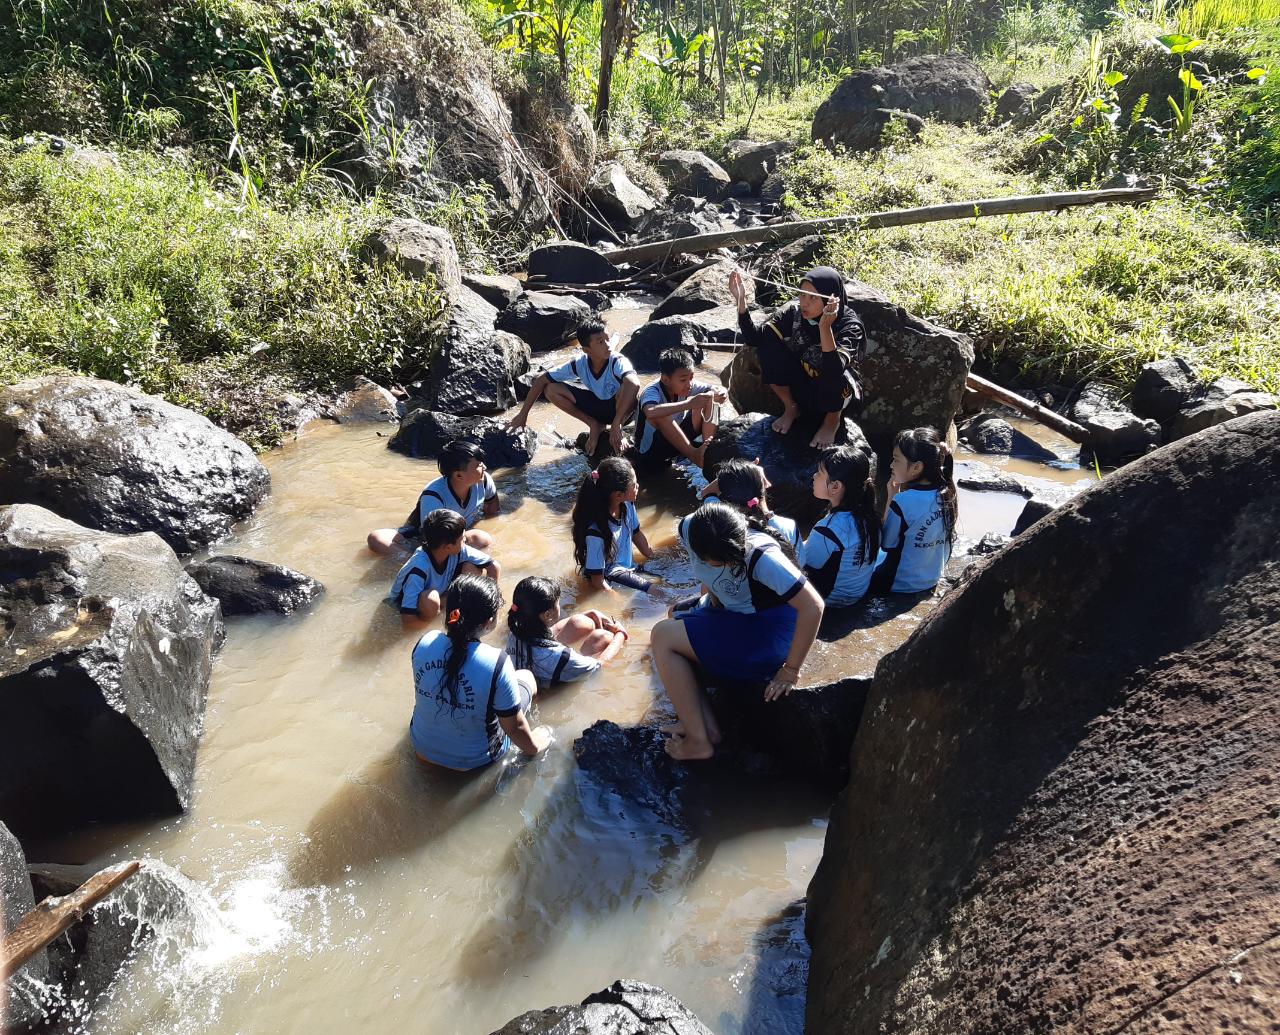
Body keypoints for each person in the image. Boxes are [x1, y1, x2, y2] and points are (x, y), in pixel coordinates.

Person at [654, 502, 824, 761]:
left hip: (770, 628)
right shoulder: (691, 528)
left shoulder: (762, 555)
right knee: (674, 616)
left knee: (662, 636)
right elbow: (711, 582)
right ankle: (703, 727)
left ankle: (699, 742)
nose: (720, 565)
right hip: (736, 613)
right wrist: (707, 611)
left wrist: (790, 670)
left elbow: (813, 606)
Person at [410, 575, 550, 771]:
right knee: (526, 676)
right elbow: (514, 727)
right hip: (475, 762)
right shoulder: (497, 662)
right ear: (489, 621)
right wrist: (536, 747)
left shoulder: (425, 641)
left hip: (421, 749)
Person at [729, 266, 866, 449]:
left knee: (830, 368)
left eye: (813, 297)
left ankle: (832, 420)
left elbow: (834, 370)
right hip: (802, 385)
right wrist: (741, 301)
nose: (804, 303)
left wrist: (825, 327)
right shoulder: (794, 314)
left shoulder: (849, 325)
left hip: (837, 393)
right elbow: (755, 339)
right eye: (802, 295)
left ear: (830, 299)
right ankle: (791, 408)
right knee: (768, 344)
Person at [506, 319, 641, 456]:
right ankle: (594, 424)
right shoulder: (580, 364)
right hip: (600, 408)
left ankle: (618, 426)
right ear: (586, 350)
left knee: (627, 386)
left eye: (607, 339)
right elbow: (541, 379)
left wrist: (617, 423)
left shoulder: (617, 361)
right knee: (551, 389)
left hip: (623, 412)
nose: (607, 345)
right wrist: (523, 415)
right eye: (600, 342)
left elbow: (635, 384)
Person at [368, 440, 498, 555]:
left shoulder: (484, 480)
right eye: (479, 465)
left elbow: (493, 510)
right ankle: (412, 561)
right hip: (424, 536)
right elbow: (433, 539)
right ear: (459, 476)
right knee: (376, 538)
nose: (484, 467)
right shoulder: (434, 496)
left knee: (482, 538)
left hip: (459, 536)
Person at [871, 427, 958, 594]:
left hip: (900, 584)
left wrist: (891, 497)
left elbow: (886, 544)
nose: (891, 465)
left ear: (916, 467)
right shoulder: (948, 493)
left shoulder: (903, 501)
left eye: (896, 460)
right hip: (931, 579)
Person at [506, 576, 628, 690]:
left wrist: (587, 613)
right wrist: (620, 634)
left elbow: (551, 629)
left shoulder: (516, 631)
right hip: (554, 684)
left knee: (580, 621)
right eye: (558, 604)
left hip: (532, 680)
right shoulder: (561, 656)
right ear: (547, 614)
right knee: (603, 637)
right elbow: (599, 666)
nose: (559, 606)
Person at [390, 510, 501, 627]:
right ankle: (436, 621)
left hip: (441, 594)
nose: (465, 540)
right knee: (429, 599)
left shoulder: (457, 549)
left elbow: (493, 567)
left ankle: (459, 612)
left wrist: (491, 609)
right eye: (462, 538)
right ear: (448, 547)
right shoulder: (418, 569)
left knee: (472, 568)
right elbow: (408, 619)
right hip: (409, 606)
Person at [804, 445, 880, 607]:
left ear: (835, 486)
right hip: (857, 594)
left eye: (819, 472)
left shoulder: (827, 529)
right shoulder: (870, 516)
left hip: (831, 601)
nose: (814, 476)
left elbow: (805, 565)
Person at [571, 456, 656, 593]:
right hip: (611, 574)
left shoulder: (627, 505)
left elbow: (636, 534)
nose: (638, 486)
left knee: (662, 583)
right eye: (634, 485)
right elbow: (597, 580)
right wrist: (614, 598)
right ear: (618, 495)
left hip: (628, 568)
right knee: (656, 590)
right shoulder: (595, 532)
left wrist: (654, 558)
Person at [632, 348, 726, 469]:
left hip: (676, 444)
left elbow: (714, 388)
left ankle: (707, 448)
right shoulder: (652, 391)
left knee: (709, 397)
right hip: (650, 451)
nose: (689, 384)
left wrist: (722, 392)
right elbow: (650, 412)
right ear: (666, 379)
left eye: (691, 377)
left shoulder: (685, 385)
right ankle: (694, 455)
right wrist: (688, 404)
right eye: (683, 380)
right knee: (660, 414)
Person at [699, 457, 803, 562]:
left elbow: (705, 493)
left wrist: (736, 474)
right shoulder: (787, 526)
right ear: (765, 486)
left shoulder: (719, 522)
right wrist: (751, 472)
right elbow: (801, 563)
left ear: (725, 495)